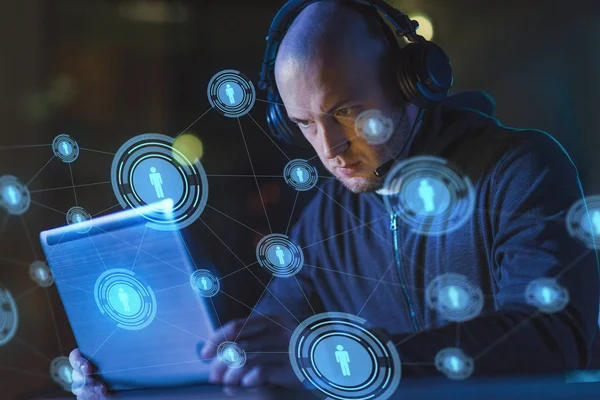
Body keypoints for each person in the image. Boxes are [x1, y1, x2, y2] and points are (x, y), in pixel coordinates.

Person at [69, 1, 599, 398]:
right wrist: (146, 379)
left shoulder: (521, 169)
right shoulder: (329, 215)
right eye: (304, 124)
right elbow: (271, 343)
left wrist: (354, 359)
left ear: (411, 83)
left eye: (344, 110)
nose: (330, 148)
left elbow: (554, 339)